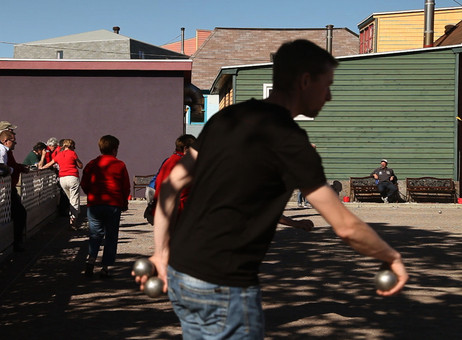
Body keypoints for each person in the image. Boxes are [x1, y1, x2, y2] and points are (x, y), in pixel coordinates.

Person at [134, 40, 408, 339]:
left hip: (181, 273)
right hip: (224, 284)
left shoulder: (228, 118)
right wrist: (390, 255)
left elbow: (172, 184)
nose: (329, 96)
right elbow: (344, 226)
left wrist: (161, 253)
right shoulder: (292, 143)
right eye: (326, 85)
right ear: (305, 81)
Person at [80, 135, 130, 278]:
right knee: (111, 236)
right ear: (115, 150)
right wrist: (124, 203)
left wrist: (91, 193)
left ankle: (91, 259)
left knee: (95, 234)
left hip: (95, 203)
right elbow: (125, 187)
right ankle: (105, 267)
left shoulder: (92, 164)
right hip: (113, 204)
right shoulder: (120, 165)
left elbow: (84, 183)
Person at [152, 134, 197, 214]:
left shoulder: (170, 160)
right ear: (186, 149)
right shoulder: (182, 164)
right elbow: (184, 192)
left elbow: (158, 183)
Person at [54, 139, 84, 228]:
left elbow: (51, 163)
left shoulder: (59, 154)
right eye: (74, 146)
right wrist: (77, 161)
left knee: (70, 198)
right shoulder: (72, 153)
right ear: (70, 146)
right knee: (74, 199)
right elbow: (80, 166)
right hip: (72, 177)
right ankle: (73, 220)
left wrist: (41, 167)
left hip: (62, 179)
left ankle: (74, 214)